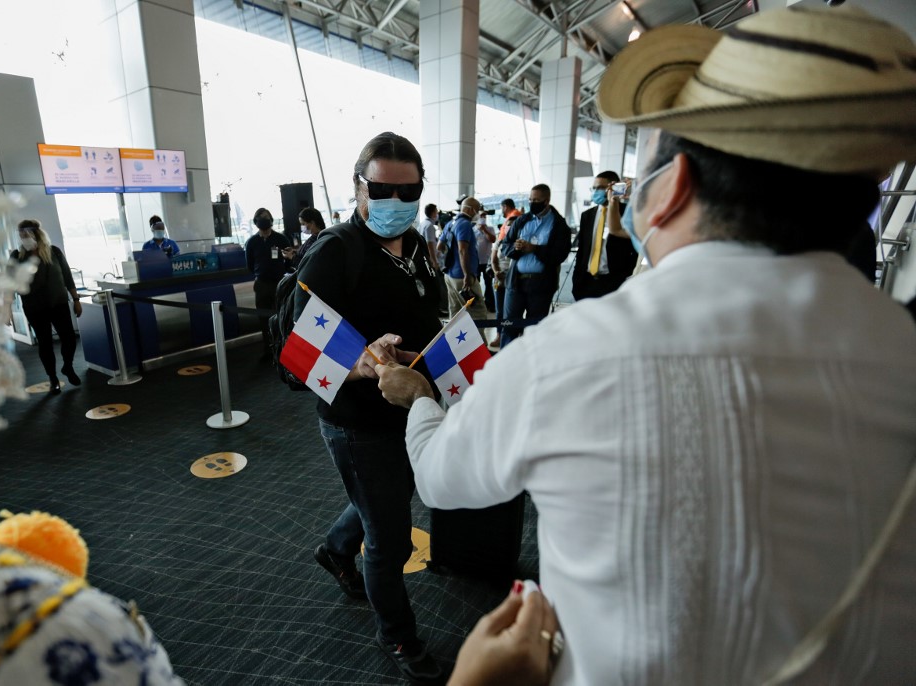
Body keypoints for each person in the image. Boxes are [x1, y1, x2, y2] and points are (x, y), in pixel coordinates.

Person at [374, 6, 916, 683]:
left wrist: (419, 397)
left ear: (674, 187)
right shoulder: (903, 350)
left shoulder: (566, 357)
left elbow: (440, 480)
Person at [0, 123, 182, 684]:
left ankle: (65, 374)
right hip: (39, 320)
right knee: (51, 354)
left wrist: (71, 297)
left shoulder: (57, 253)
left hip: (58, 309)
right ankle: (55, 379)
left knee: (64, 350)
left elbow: (63, 278)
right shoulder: (73, 636)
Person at [293, 132, 443, 683]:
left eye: (410, 191)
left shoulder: (419, 246)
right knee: (390, 536)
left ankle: (336, 550)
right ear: (358, 186)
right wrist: (367, 361)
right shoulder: (338, 250)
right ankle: (398, 636)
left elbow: (428, 316)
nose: (396, 202)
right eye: (382, 189)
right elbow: (297, 340)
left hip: (411, 409)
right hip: (357, 420)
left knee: (385, 497)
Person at [10, 219, 82, 395]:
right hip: (34, 306)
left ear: (36, 234)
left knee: (69, 338)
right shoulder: (16, 257)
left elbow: (67, 276)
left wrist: (76, 299)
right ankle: (53, 378)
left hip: (58, 303)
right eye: (21, 236)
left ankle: (68, 366)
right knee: (45, 343)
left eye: (26, 235)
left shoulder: (54, 252)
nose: (24, 239)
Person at [496, 184, 571, 348]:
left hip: (541, 285)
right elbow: (505, 245)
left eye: (536, 200)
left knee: (534, 329)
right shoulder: (522, 220)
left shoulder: (558, 224)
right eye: (530, 199)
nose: (532, 203)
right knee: (509, 326)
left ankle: (530, 367)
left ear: (547, 201)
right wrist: (515, 249)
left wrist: (534, 249)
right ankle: (506, 364)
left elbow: (560, 254)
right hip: (516, 283)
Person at [571, 171, 637, 301]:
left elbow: (634, 248)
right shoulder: (587, 215)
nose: (596, 191)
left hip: (614, 281)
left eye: (600, 187)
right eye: (594, 187)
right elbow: (583, 249)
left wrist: (627, 275)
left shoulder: (627, 213)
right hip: (586, 281)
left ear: (614, 187)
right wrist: (577, 279)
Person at [244, 207, 292, 356]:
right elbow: (250, 265)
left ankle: (285, 348)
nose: (264, 220)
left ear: (271, 220)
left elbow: (289, 258)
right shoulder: (251, 242)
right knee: (264, 318)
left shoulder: (280, 239)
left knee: (282, 315)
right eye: (261, 217)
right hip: (262, 284)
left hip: (279, 283)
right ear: (256, 222)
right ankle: (268, 348)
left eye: (266, 217)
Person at [441, 196, 491, 337]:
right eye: (476, 209)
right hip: (462, 276)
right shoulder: (465, 224)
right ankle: (479, 347)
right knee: (478, 311)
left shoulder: (451, 223)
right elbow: (463, 250)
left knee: (455, 311)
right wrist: (467, 274)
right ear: (469, 209)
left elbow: (440, 246)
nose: (477, 213)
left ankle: (457, 347)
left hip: (450, 274)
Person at [489, 199, 521, 348]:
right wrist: (496, 272)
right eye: (507, 225)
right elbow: (493, 258)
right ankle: (499, 335)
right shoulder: (500, 241)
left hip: (514, 279)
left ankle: (515, 335)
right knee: (500, 310)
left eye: (512, 226)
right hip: (499, 278)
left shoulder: (520, 243)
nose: (509, 228)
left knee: (513, 311)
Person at [475, 211, 497, 313]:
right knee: (476, 283)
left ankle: (490, 304)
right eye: (481, 216)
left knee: (488, 284)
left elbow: (492, 240)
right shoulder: (473, 229)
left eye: (484, 216)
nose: (483, 218)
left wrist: (484, 230)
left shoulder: (490, 229)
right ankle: (478, 303)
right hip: (475, 261)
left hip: (487, 261)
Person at [418, 203, 439, 269]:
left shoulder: (422, 223)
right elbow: (430, 245)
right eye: (436, 212)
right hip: (429, 259)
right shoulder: (429, 226)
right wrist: (434, 262)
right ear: (433, 213)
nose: (437, 214)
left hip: (423, 256)